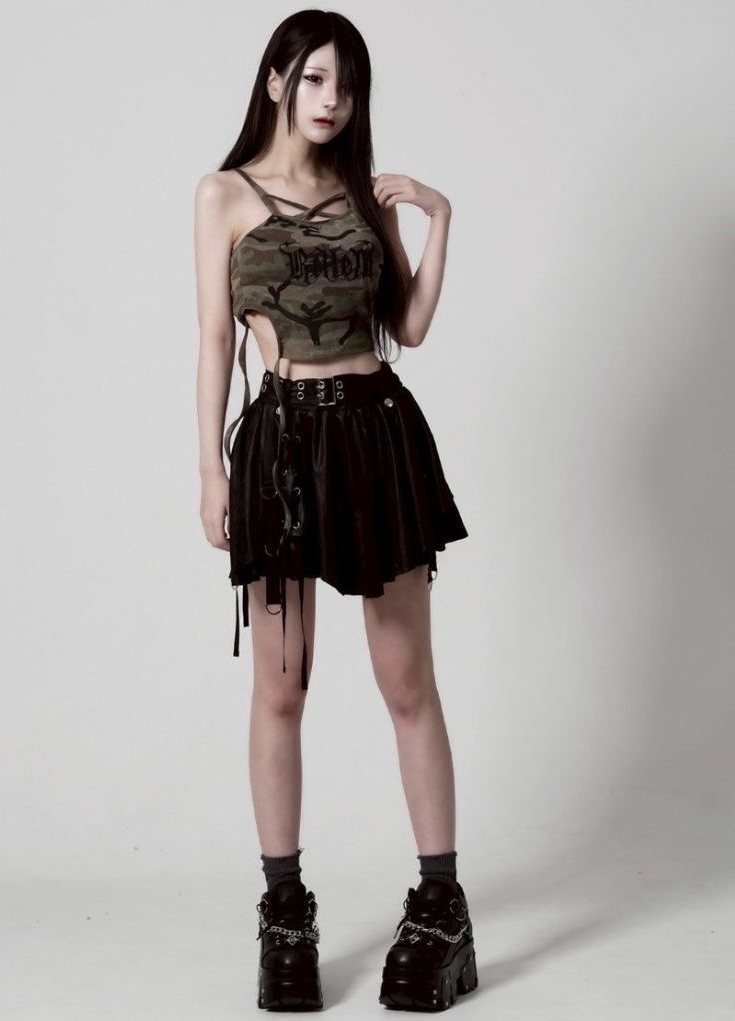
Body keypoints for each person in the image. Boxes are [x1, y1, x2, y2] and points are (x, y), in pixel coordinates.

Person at [194, 9, 478, 1012]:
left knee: (406, 680)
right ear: (276, 80)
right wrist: (208, 470)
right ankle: (284, 911)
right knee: (280, 686)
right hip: (278, 448)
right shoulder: (223, 195)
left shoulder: (364, 195)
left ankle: (441, 905)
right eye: (315, 78)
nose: (332, 99)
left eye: (346, 85)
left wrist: (439, 216)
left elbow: (408, 326)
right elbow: (213, 340)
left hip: (375, 436)